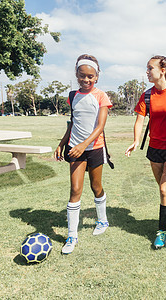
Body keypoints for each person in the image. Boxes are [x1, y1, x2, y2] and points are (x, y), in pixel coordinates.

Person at [125, 55, 166, 249]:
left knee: (163, 189)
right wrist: (136, 141)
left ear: (163, 70)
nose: (147, 71)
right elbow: (139, 121)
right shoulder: (146, 96)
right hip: (154, 149)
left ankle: (161, 232)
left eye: (150, 68)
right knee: (165, 189)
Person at [55, 54, 113, 254]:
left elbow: (100, 126)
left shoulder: (101, 96)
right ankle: (72, 235)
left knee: (96, 187)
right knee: (75, 190)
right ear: (76, 75)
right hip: (74, 148)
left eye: (90, 76)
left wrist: (84, 145)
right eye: (82, 76)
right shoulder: (73, 96)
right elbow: (72, 123)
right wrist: (62, 143)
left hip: (95, 148)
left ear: (96, 77)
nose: (86, 80)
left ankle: (103, 220)